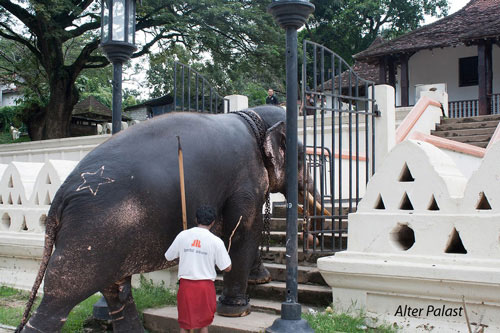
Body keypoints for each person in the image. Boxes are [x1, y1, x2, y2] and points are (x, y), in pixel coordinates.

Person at [165, 205, 232, 333]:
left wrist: (187, 254)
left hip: (186, 286)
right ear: (213, 222)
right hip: (205, 288)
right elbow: (227, 268)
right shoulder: (216, 242)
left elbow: (168, 257)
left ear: (196, 220)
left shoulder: (183, 235)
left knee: (184, 325)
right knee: (204, 324)